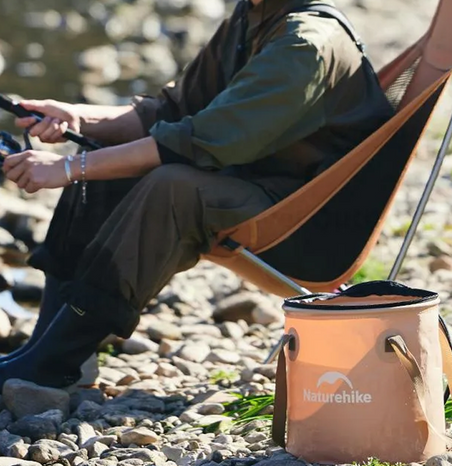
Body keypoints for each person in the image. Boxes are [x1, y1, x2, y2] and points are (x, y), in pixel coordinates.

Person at [0, 0, 393, 389]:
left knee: (171, 187)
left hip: (308, 226)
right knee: (108, 161)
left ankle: (53, 362)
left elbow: (199, 141)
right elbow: (172, 112)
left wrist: (69, 168)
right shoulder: (254, 13)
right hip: (262, 184)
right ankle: (44, 348)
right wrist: (79, 117)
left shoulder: (305, 43)